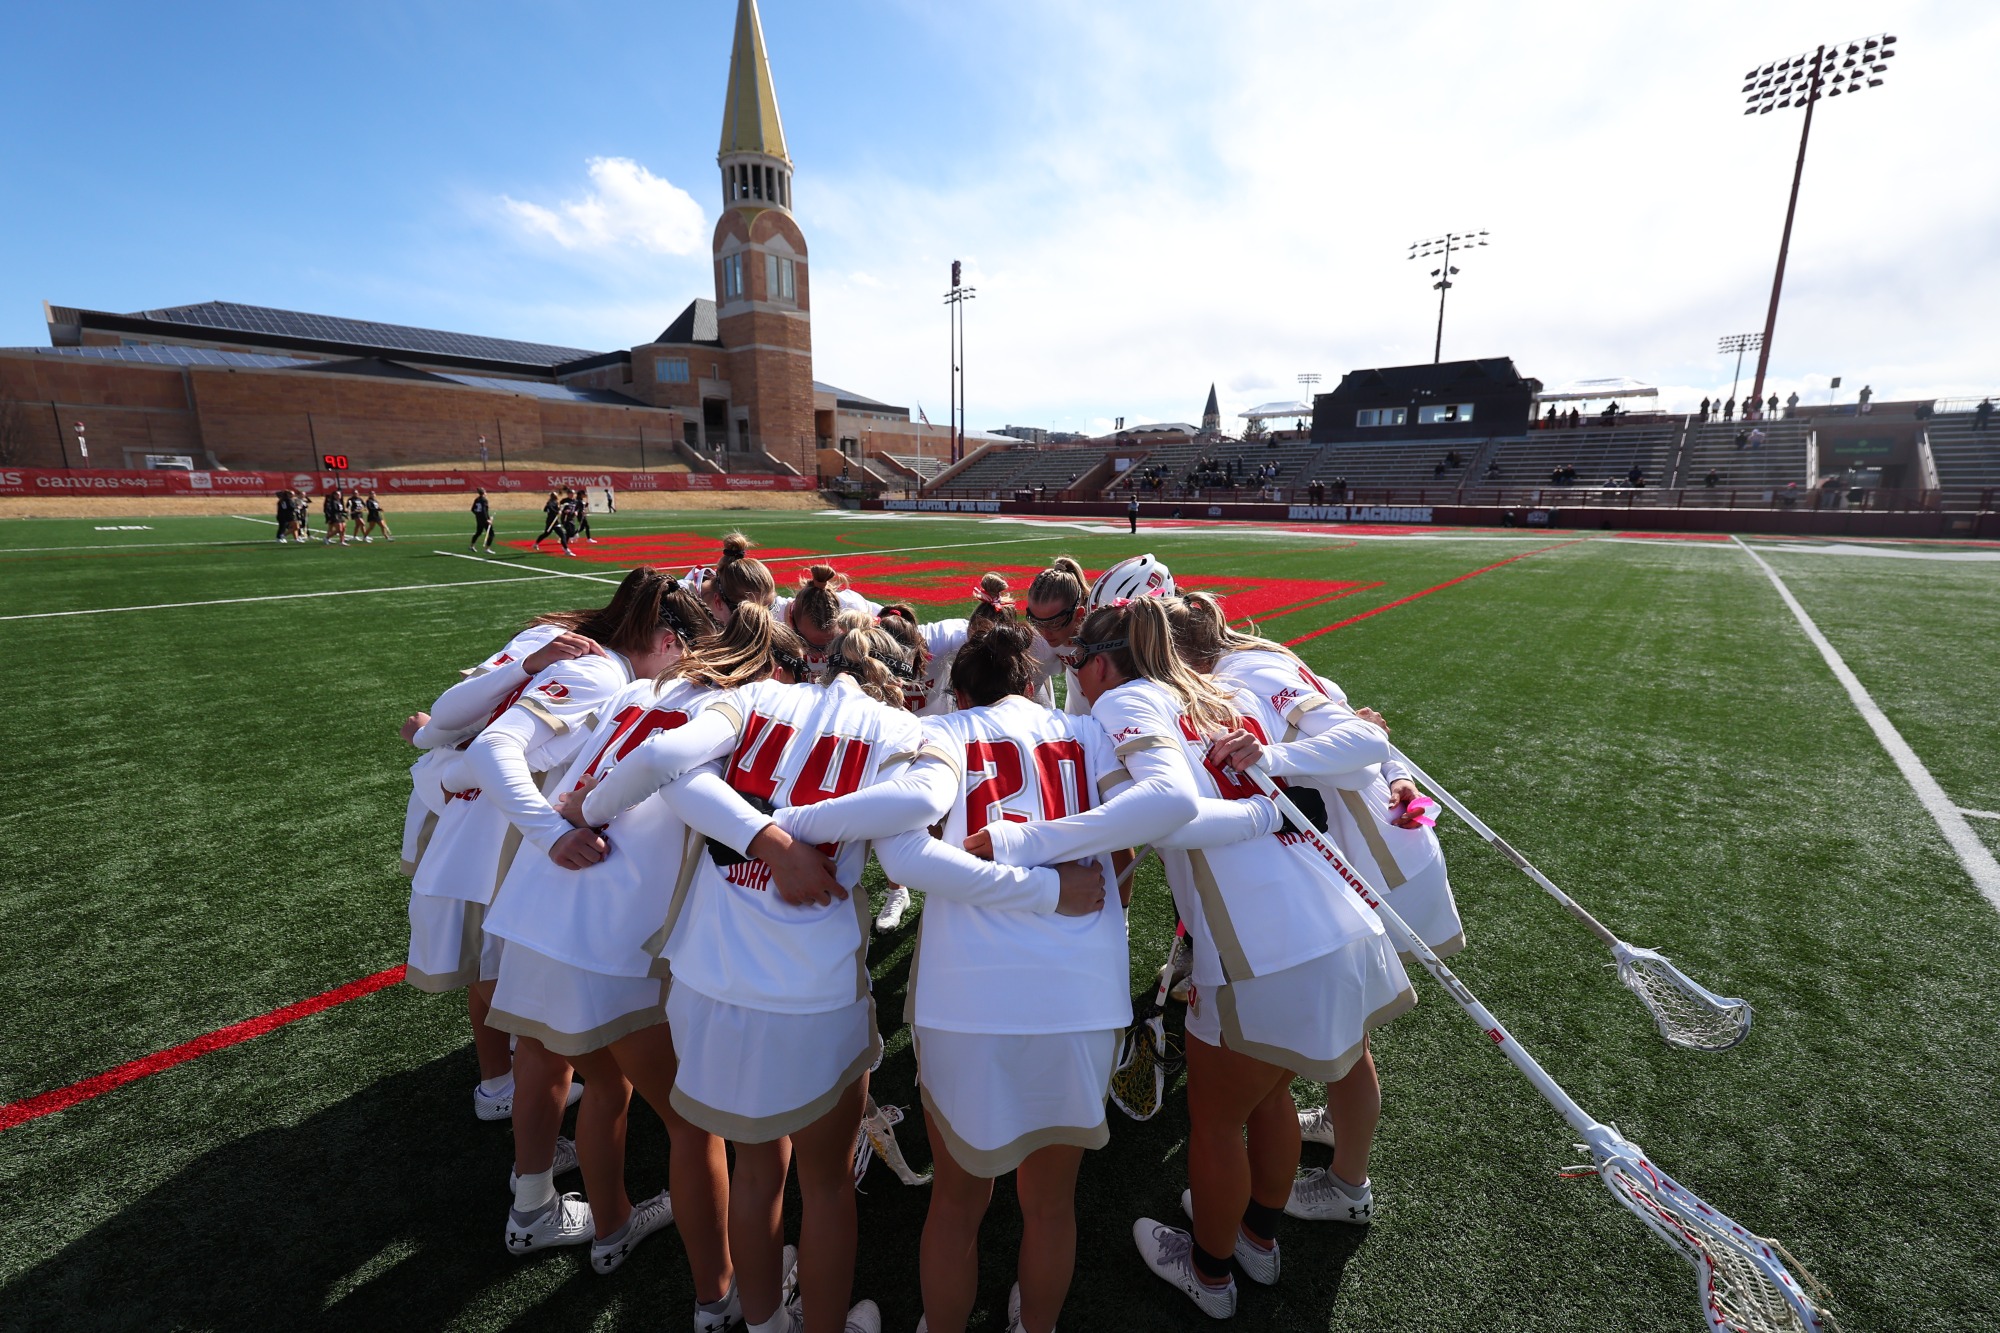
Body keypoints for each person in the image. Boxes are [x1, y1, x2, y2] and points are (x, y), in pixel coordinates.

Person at [969, 598, 1413, 1321]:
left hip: (1261, 946)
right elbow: (1353, 734)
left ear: (1104, 663)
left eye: (1076, 659)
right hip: (1339, 915)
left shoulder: (1124, 703)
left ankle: (1210, 1273)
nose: (1070, 672)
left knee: (1214, 1120)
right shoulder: (1229, 686)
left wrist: (1026, 842)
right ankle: (1257, 1242)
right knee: (1266, 1093)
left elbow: (1168, 806)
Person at [573, 615, 936, 1333]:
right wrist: (792, 835)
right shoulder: (908, 732)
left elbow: (665, 762)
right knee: (827, 1183)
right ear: (895, 679)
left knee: (754, 1168)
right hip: (814, 988)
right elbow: (920, 810)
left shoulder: (759, 699)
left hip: (709, 978)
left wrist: (765, 831)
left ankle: (760, 1321)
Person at [874, 623, 1192, 1333]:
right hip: (1080, 991)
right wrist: (1054, 872)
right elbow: (1142, 824)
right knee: (1052, 1203)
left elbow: (902, 858)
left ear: (961, 690)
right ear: (1031, 682)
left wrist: (1026, 874)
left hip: (967, 995)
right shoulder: (1085, 730)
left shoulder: (943, 729)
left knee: (956, 1202)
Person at [463, 577, 721, 1279]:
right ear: (675, 644)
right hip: (603, 930)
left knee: (574, 1070)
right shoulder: (631, 684)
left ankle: (566, 1214)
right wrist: (552, 829)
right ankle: (721, 1298)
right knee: (685, 1116)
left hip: (539, 913)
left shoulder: (634, 694)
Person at [403, 569, 680, 1128]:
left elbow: (443, 724)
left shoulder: (563, 643)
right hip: (498, 843)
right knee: (545, 1035)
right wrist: (552, 834)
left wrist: (434, 751)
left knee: (496, 985)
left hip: (475, 834)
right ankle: (532, 1188)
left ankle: (497, 1088)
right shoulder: (601, 674)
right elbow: (492, 747)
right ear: (666, 640)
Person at [471, 487, 496, 551]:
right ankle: (487, 548)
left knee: (478, 532)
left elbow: (473, 509)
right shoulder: (484, 500)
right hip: (484, 520)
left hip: (479, 519)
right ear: (484, 493)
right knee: (491, 534)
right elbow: (484, 511)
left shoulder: (477, 499)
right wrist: (487, 519)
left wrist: (478, 515)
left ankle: (472, 546)